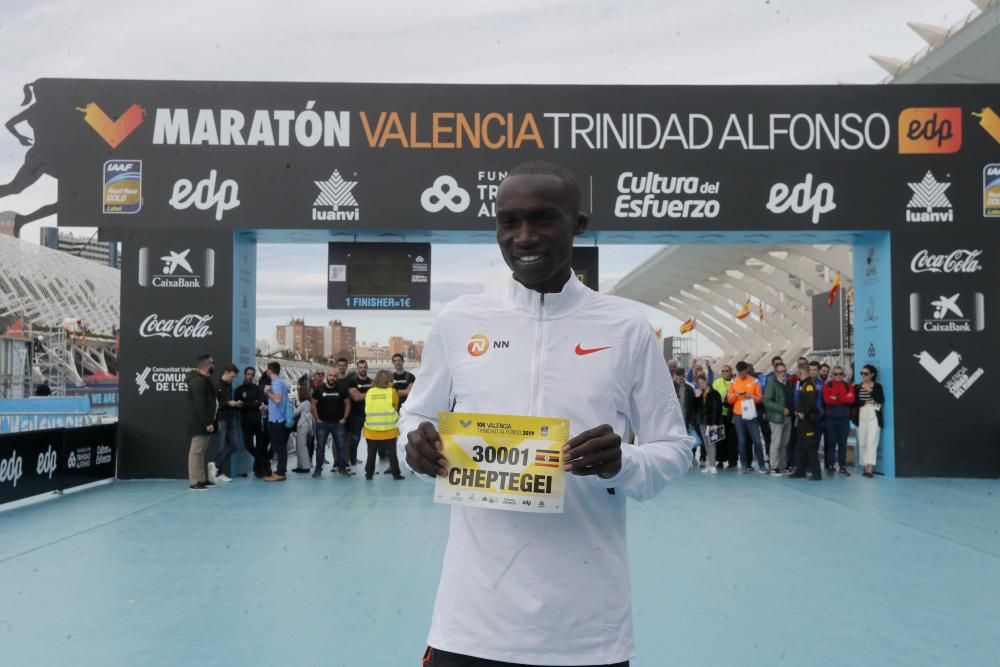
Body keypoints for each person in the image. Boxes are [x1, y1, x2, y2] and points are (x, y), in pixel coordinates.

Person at [401, 161, 690, 667]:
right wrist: (416, 446)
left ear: (579, 223)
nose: (524, 236)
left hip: (586, 632)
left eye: (543, 220)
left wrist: (623, 462)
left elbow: (673, 449)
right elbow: (416, 417)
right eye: (508, 221)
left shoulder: (625, 326)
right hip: (471, 625)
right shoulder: (459, 320)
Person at [363, 370, 404, 480]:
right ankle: (396, 474)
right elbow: (395, 407)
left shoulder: (370, 392)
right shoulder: (392, 392)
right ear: (388, 380)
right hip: (389, 429)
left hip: (371, 429)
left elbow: (367, 406)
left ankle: (369, 474)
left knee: (371, 454)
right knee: (392, 454)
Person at [727, 361, 767, 474]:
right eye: (740, 372)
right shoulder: (733, 382)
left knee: (757, 441)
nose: (742, 374)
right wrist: (735, 395)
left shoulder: (754, 381)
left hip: (751, 414)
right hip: (738, 414)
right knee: (742, 441)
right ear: (738, 371)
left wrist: (751, 397)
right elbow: (729, 400)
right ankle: (744, 466)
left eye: (744, 372)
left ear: (746, 370)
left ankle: (762, 465)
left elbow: (760, 398)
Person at [311, 367, 352, 477]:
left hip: (338, 423)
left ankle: (342, 469)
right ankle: (318, 470)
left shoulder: (342, 389)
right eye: (330, 375)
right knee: (320, 448)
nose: (332, 378)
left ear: (337, 377)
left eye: (334, 376)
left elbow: (348, 403)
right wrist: (317, 419)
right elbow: (313, 403)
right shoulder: (319, 390)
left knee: (341, 447)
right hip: (322, 424)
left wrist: (344, 418)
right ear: (326, 376)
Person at [186, 354, 217, 491]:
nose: (214, 366)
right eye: (213, 363)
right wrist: (207, 423)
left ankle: (202, 479)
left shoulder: (204, 380)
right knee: (196, 451)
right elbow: (200, 405)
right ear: (207, 364)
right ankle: (194, 481)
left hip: (206, 421)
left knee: (202, 451)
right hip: (200, 422)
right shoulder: (197, 381)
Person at [208, 363, 243, 483]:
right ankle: (218, 472)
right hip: (221, 418)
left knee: (235, 446)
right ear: (226, 372)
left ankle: (216, 465)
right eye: (232, 376)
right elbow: (214, 404)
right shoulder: (216, 384)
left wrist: (235, 404)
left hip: (230, 418)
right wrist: (228, 403)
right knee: (220, 446)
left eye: (235, 377)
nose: (233, 379)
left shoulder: (228, 385)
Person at [789, 361, 822, 480]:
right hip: (802, 421)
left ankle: (816, 473)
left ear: (800, 372)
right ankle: (800, 470)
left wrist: (804, 413)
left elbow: (811, 401)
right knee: (801, 446)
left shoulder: (808, 384)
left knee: (810, 447)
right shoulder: (802, 384)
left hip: (808, 421)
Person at [822, 366, 855, 476]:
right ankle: (830, 465)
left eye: (840, 374)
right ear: (832, 375)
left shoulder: (848, 386)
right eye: (836, 374)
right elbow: (827, 400)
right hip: (830, 418)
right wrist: (843, 398)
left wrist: (836, 398)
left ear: (843, 375)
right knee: (831, 442)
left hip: (844, 419)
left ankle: (842, 466)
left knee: (842, 443)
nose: (838, 376)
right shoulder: (827, 386)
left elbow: (851, 399)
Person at [853, 365, 884, 478]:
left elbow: (880, 400)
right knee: (862, 441)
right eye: (862, 373)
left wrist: (869, 390)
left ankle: (869, 468)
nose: (863, 375)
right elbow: (854, 402)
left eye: (866, 373)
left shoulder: (877, 386)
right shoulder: (857, 387)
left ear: (872, 374)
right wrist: (864, 403)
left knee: (872, 441)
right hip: (861, 414)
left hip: (874, 414)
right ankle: (865, 465)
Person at [763, 362, 794, 475]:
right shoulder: (772, 383)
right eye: (780, 371)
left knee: (784, 443)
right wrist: (781, 409)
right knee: (776, 443)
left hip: (788, 418)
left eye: (784, 371)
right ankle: (774, 466)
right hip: (777, 418)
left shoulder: (788, 383)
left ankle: (783, 465)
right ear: (776, 372)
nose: (783, 373)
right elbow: (766, 401)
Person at [234, 366, 264, 478]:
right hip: (245, 422)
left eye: (252, 374)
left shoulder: (257, 389)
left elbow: (258, 404)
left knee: (260, 446)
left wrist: (245, 404)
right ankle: (264, 462)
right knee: (248, 445)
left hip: (257, 421)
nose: (250, 376)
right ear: (244, 374)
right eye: (248, 374)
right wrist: (252, 404)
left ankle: (258, 470)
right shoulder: (239, 390)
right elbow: (238, 407)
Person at [262, 361, 289, 482]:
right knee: (280, 447)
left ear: (269, 371)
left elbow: (277, 399)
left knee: (279, 447)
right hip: (279, 418)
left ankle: (280, 472)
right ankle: (280, 471)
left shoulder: (276, 383)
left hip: (277, 421)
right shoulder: (281, 382)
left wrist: (267, 392)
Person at [346, 359, 374, 470]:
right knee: (355, 439)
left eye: (364, 367)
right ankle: (352, 462)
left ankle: (370, 464)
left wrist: (362, 394)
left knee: (371, 441)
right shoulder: (352, 381)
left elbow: (361, 396)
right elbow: (356, 397)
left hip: (369, 415)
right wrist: (370, 394)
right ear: (357, 369)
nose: (362, 369)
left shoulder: (372, 382)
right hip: (356, 415)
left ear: (367, 368)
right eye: (360, 367)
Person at [695, 373, 723, 475]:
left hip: (711, 422)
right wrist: (697, 397)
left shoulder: (714, 393)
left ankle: (713, 465)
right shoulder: (700, 394)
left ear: (706, 381)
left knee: (712, 443)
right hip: (702, 421)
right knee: (706, 443)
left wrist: (716, 423)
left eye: (702, 383)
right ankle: (710, 465)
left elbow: (718, 409)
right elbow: (696, 408)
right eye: (699, 383)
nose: (701, 385)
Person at [712, 364, 735, 469]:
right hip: (719, 415)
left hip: (731, 415)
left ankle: (732, 461)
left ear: (731, 372)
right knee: (719, 439)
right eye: (723, 371)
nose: (725, 373)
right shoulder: (716, 383)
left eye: (727, 371)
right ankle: (719, 461)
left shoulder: (735, 382)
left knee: (732, 440)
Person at [291, 384, 315, 473]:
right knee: (301, 446)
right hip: (306, 426)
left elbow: (295, 413)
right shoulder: (308, 403)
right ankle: (300, 466)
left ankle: (305, 467)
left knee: (302, 447)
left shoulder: (304, 403)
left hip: (302, 426)